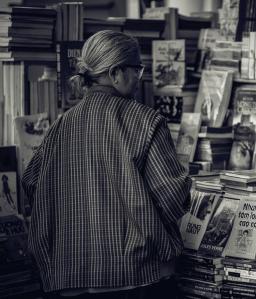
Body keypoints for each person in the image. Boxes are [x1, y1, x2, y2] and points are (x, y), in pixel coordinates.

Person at [22, 30, 191, 299]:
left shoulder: (60, 126)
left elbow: (31, 182)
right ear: (115, 73)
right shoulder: (146, 121)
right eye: (136, 69)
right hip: (135, 276)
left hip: (68, 278)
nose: (139, 77)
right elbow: (172, 198)